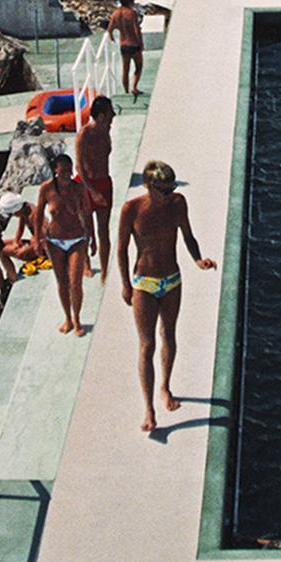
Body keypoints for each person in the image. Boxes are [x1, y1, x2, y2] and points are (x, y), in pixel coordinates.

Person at [117, 159, 217, 433]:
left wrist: (198, 260)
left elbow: (188, 236)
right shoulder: (132, 209)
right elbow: (121, 249)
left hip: (172, 279)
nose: (169, 194)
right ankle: (148, 408)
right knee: (146, 345)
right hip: (144, 283)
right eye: (164, 190)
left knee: (169, 335)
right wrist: (125, 285)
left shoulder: (177, 204)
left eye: (172, 188)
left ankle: (165, 387)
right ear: (149, 186)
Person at [33, 153, 95, 337]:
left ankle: (77, 319)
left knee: (75, 282)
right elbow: (38, 214)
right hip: (54, 241)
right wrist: (37, 239)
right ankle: (67, 318)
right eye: (63, 171)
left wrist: (93, 238)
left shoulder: (79, 188)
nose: (67, 174)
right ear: (55, 171)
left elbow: (87, 213)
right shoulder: (46, 188)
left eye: (69, 170)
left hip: (77, 239)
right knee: (62, 282)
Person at [75, 94, 115, 283]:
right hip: (86, 184)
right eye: (110, 113)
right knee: (85, 229)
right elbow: (79, 167)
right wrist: (92, 191)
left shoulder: (106, 131)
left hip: (104, 182)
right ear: (100, 116)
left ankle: (105, 270)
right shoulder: (84, 135)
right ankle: (86, 265)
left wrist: (99, 191)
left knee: (103, 230)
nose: (113, 116)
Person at [108, 0, 144, 98]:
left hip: (124, 45)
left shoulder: (115, 13)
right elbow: (136, 30)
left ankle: (127, 92)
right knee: (139, 67)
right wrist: (141, 43)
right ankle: (134, 88)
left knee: (125, 70)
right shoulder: (132, 13)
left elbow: (110, 29)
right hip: (134, 45)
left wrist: (112, 38)